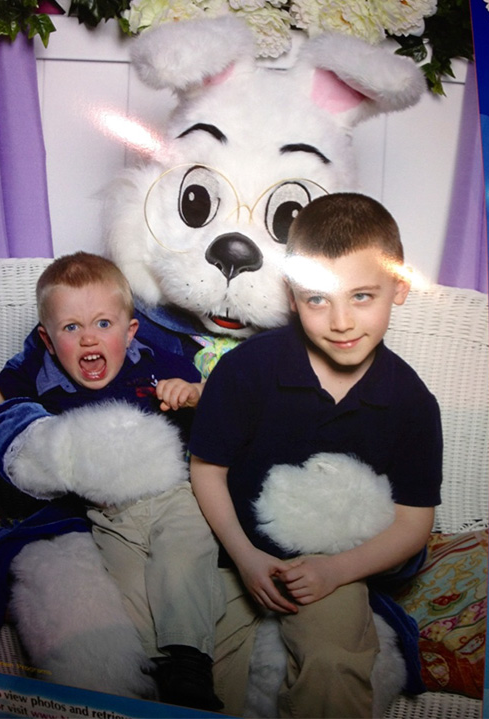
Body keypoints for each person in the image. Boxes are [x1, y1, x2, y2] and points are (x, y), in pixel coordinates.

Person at [0, 251, 224, 712]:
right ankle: (161, 675)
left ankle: (190, 660)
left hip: (168, 492)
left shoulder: (155, 362)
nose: (88, 339)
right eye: (71, 328)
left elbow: (212, 397)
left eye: (103, 324)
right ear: (47, 336)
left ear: (129, 330)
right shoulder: (38, 370)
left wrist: (193, 393)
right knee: (127, 586)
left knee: (185, 547)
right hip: (104, 512)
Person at [189, 193, 443, 718]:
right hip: (233, 557)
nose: (342, 321)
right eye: (318, 299)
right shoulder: (244, 371)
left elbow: (413, 524)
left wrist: (336, 571)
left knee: (333, 665)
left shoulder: (413, 403)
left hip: (331, 567)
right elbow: (207, 470)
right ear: (291, 294)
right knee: (205, 676)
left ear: (399, 289)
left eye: (363, 296)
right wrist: (244, 556)